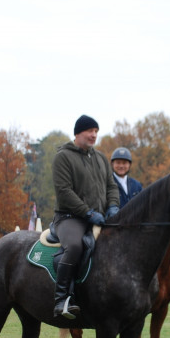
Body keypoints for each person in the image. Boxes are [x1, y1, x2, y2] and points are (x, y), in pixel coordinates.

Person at [50, 115, 120, 319]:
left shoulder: (100, 158)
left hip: (99, 217)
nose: (94, 135)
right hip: (70, 217)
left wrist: (113, 207)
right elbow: (64, 192)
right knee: (74, 246)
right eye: (90, 131)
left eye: (96, 131)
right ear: (77, 133)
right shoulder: (63, 157)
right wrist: (88, 213)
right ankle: (61, 299)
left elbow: (111, 186)